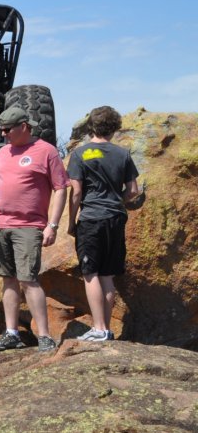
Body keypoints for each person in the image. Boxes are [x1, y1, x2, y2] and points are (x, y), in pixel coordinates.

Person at [0, 106, 69, 353]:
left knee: (28, 279)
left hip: (29, 226)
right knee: (8, 280)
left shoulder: (46, 151)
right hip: (1, 224)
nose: (4, 134)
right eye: (2, 130)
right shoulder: (3, 153)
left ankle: (44, 336)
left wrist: (53, 225)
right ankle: (11, 333)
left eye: (8, 130)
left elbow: (60, 188)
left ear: (24, 127)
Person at [66, 106, 142, 342]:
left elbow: (76, 192)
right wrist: (114, 199)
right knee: (108, 276)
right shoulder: (123, 154)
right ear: (115, 127)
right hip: (116, 218)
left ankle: (99, 329)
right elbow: (133, 191)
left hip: (92, 219)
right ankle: (104, 329)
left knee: (91, 274)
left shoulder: (81, 154)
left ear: (91, 126)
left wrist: (71, 221)